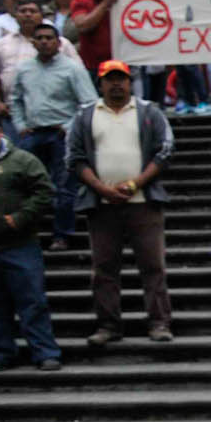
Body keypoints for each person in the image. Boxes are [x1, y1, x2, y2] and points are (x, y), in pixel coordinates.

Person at [67, 60, 174, 345]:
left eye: (121, 78)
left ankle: (159, 323)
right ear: (99, 83)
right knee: (104, 269)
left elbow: (164, 151)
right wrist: (102, 188)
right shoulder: (85, 116)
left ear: (130, 82)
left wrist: (136, 183)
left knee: (153, 266)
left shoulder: (149, 111)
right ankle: (108, 326)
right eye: (109, 79)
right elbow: (74, 158)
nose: (116, 84)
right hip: (101, 206)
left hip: (144, 202)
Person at [7, 18, 90, 249]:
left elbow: (88, 102)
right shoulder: (24, 69)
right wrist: (20, 124)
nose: (44, 42)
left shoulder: (72, 69)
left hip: (61, 134)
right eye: (40, 38)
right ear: (33, 42)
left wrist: (70, 127)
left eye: (49, 38)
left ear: (58, 42)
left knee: (64, 186)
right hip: (32, 134)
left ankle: (61, 234)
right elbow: (15, 100)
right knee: (24, 184)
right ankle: (24, 232)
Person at [0, 129, 60, 369]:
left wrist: (21, 218)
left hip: (20, 245)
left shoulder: (23, 160)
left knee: (32, 301)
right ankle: (2, 353)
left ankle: (45, 352)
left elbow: (44, 192)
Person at [69, 0, 118, 76]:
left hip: (119, 64)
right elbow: (83, 25)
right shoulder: (80, 2)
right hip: (91, 67)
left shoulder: (120, 2)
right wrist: (105, 4)